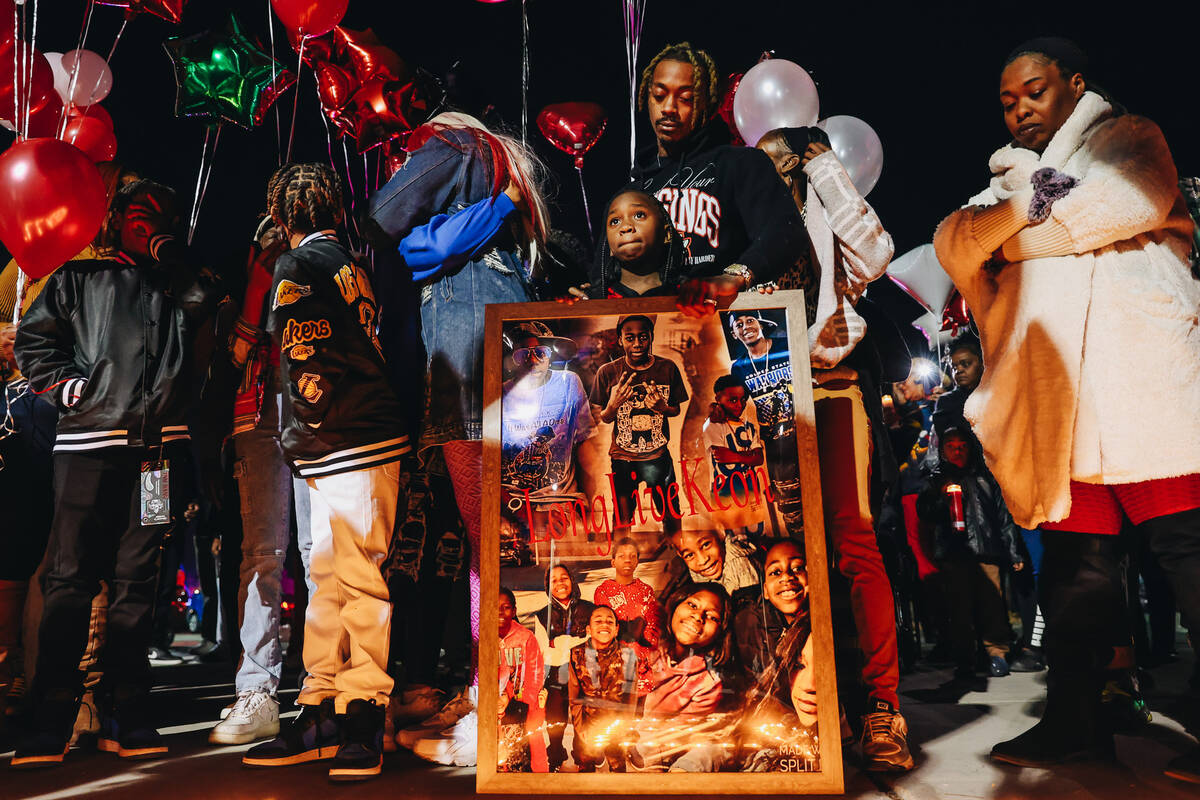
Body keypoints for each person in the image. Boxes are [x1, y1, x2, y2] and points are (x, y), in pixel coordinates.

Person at [932, 38, 1200, 776]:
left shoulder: (1131, 138)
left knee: (1189, 557)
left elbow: (1124, 206)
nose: (1020, 108)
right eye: (1008, 99)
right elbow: (953, 243)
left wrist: (1010, 242)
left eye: (1035, 90)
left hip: (1142, 388)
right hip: (1062, 406)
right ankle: (1074, 723)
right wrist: (1020, 208)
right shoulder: (1002, 180)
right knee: (1076, 574)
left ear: (1074, 85)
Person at [12, 179, 223, 767]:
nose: (151, 222)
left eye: (163, 213)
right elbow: (34, 344)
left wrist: (177, 263)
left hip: (159, 453)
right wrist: (69, 387)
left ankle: (126, 710)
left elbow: (207, 307)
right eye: (140, 213)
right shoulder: (79, 278)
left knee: (138, 578)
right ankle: (51, 716)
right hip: (89, 446)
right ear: (116, 219)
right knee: (69, 576)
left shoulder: (184, 282)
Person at [366, 112, 551, 768]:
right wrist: (476, 218)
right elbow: (424, 248)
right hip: (510, 370)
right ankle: (506, 701)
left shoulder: (454, 142)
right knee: (504, 542)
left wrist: (435, 232)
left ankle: (492, 708)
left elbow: (387, 219)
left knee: (490, 547)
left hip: (471, 376)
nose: (410, 159)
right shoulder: (507, 214)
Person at [241, 163, 407, 782]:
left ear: (280, 219)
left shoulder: (297, 266)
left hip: (345, 433)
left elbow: (307, 355)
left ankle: (362, 709)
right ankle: (321, 707)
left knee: (354, 577)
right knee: (328, 577)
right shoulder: (345, 260)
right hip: (348, 434)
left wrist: (305, 427)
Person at [756, 124, 913, 772]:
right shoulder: (742, 219)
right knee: (777, 549)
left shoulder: (824, 213)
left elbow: (876, 253)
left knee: (852, 541)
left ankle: (879, 710)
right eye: (759, 158)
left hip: (830, 386)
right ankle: (808, 706)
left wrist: (824, 167)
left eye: (784, 156)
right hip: (761, 397)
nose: (773, 165)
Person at [631, 42, 807, 316]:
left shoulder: (739, 164)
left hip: (728, 327)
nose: (668, 108)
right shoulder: (636, 189)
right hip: (656, 332)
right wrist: (593, 291)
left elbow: (786, 232)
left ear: (707, 102)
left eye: (685, 98)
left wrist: (734, 277)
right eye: (659, 95)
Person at [917, 428, 1024, 681]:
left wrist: (1013, 552)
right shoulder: (935, 480)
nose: (957, 451)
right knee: (959, 609)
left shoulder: (985, 477)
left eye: (962, 445)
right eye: (951, 446)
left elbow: (1003, 517)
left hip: (987, 552)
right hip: (955, 554)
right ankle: (965, 659)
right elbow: (925, 512)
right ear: (942, 450)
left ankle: (997, 653)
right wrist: (942, 498)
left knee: (993, 605)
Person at [588, 315, 687, 538]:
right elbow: (601, 417)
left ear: (651, 337)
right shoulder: (607, 372)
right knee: (622, 520)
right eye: (630, 337)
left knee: (671, 514)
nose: (637, 343)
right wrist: (612, 406)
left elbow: (676, 410)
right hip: (623, 458)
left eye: (643, 337)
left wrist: (663, 407)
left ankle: (681, 558)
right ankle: (622, 562)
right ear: (620, 340)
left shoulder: (667, 368)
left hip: (658, 456)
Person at [631, 584, 738, 772]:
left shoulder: (708, 684)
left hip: (652, 750)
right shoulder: (642, 648)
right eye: (693, 605)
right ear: (675, 605)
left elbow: (672, 735)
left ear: (720, 633)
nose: (698, 616)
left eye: (712, 617)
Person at [736, 539, 820, 772]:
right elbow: (758, 692)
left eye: (797, 568)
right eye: (775, 571)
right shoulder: (751, 623)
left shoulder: (825, 620)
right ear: (764, 589)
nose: (786, 577)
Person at [567, 605, 639, 772]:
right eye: (598, 621)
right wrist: (580, 729)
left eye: (609, 621)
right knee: (585, 762)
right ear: (589, 629)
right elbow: (574, 696)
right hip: (587, 722)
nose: (604, 625)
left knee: (618, 765)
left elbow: (630, 697)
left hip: (616, 722)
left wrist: (624, 726)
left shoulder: (628, 656)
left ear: (616, 629)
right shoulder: (576, 654)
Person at [538, 564, 593, 771]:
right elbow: (545, 652)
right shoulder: (542, 615)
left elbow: (593, 640)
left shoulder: (589, 609)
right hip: (556, 674)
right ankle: (555, 754)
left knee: (583, 720)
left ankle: (583, 758)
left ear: (572, 580)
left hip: (585, 673)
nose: (560, 583)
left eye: (564, 578)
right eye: (554, 580)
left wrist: (560, 642)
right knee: (555, 719)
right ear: (547, 586)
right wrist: (575, 641)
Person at [583, 190, 687, 299]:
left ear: (666, 234)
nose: (626, 227)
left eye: (639, 215)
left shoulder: (689, 295)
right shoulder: (595, 298)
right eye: (615, 221)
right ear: (610, 247)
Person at [703, 374, 767, 539]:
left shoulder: (749, 427)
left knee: (756, 533)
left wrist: (737, 456)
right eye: (733, 400)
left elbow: (758, 459)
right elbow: (722, 456)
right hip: (725, 489)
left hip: (750, 487)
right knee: (734, 537)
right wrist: (747, 455)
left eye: (743, 399)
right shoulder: (713, 425)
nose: (739, 404)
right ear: (718, 398)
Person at [497, 587, 547, 772]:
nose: (500, 612)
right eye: (495, 607)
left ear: (514, 611)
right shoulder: (484, 636)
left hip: (522, 703)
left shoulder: (525, 637)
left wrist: (524, 698)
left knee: (531, 744)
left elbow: (535, 674)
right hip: (497, 703)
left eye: (506, 607)